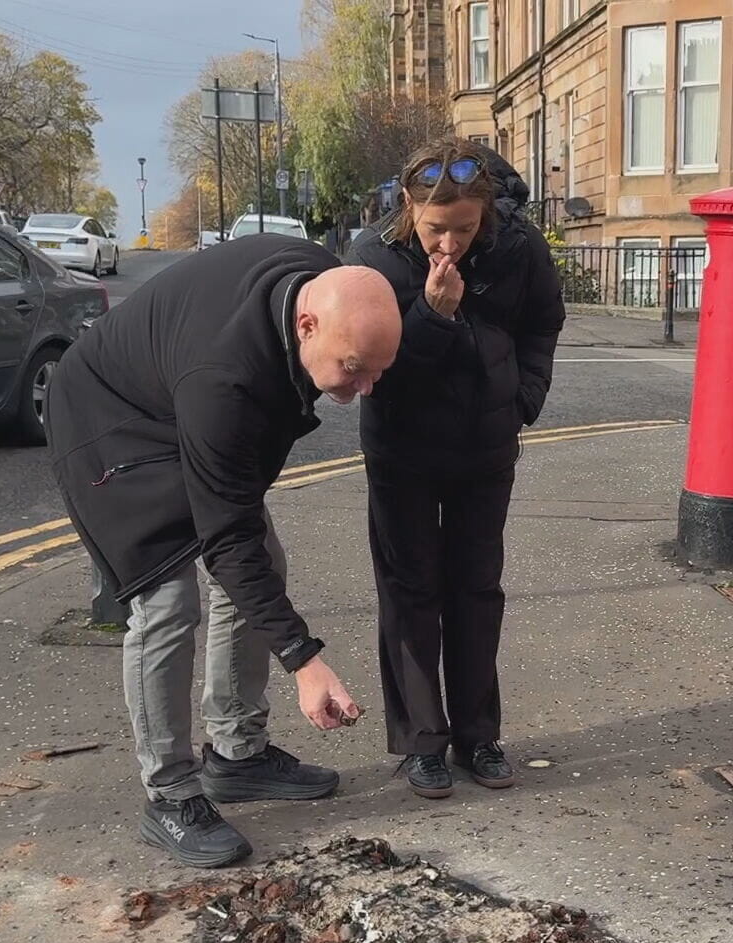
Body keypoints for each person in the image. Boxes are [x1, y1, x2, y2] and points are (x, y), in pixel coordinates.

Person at [47, 234, 401, 867]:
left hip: (174, 390)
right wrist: (305, 661)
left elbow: (238, 525)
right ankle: (170, 796)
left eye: (377, 369)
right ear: (306, 323)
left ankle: (238, 754)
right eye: (355, 367)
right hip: (106, 418)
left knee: (265, 562)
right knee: (165, 602)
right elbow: (227, 539)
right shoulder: (225, 381)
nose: (368, 387)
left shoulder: (323, 286)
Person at [346, 138, 565, 798]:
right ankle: (423, 742)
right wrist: (432, 315)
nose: (449, 244)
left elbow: (542, 323)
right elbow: (369, 369)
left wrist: (523, 400)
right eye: (436, 228)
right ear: (410, 208)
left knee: (476, 591)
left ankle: (477, 735)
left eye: (464, 229)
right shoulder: (374, 258)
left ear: (486, 217)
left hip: (485, 448)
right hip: (402, 450)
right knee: (412, 595)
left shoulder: (517, 249)